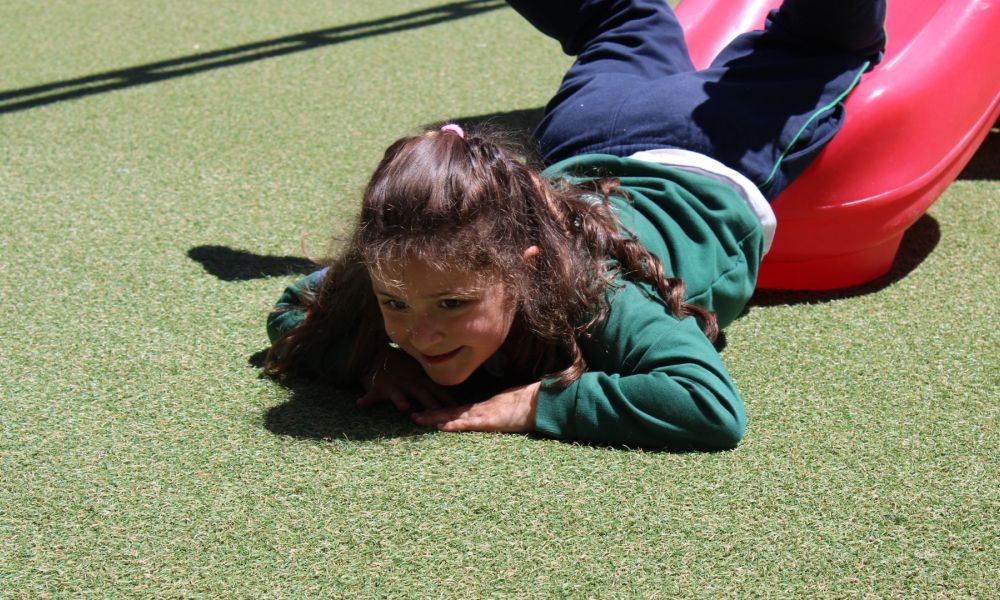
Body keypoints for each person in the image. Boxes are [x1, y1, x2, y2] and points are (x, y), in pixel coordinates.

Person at [263, 0, 887, 450]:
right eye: (394, 304)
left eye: (452, 304)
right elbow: (296, 306)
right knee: (621, 16)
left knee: (822, 44)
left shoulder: (597, 294)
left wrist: (539, 403)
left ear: (526, 269)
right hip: (590, 128)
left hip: (707, 148)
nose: (419, 333)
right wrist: (375, 364)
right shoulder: (408, 262)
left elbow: (707, 403)